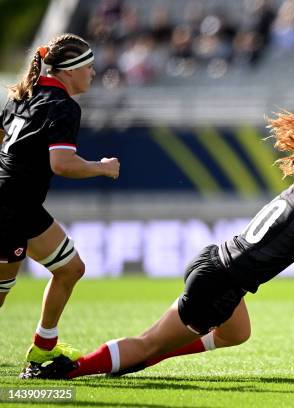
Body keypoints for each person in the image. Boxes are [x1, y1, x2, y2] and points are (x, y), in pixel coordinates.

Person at [21, 114, 294, 380]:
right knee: (147, 343)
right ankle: (65, 370)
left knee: (235, 334)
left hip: (219, 266)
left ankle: (157, 351)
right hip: (219, 282)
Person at [0, 34, 121, 370]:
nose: (93, 73)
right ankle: (40, 355)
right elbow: (62, 164)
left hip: (20, 207)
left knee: (70, 269)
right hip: (10, 210)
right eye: (89, 67)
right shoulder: (64, 106)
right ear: (69, 71)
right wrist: (102, 168)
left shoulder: (23, 96)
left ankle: (43, 349)